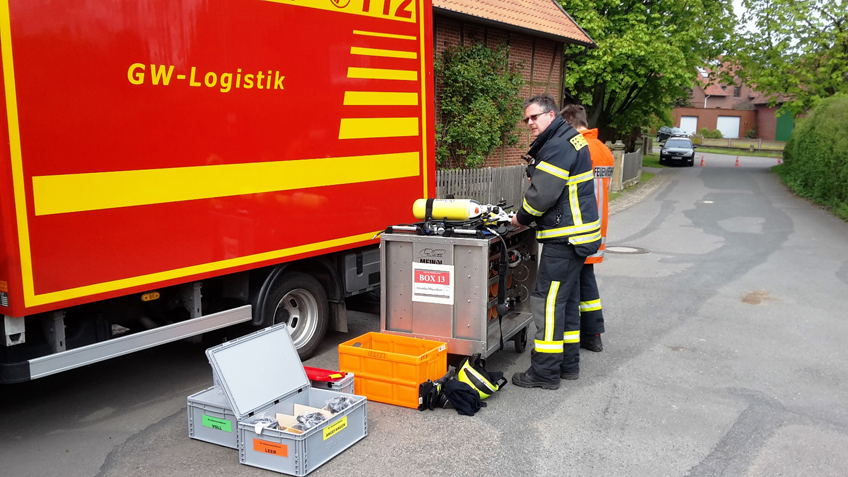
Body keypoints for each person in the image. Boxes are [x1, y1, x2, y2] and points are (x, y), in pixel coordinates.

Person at [510, 94, 601, 390]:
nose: (529, 124)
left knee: (546, 302)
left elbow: (544, 194)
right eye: (526, 119)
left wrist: (520, 218)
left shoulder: (558, 145)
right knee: (568, 300)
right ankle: (568, 364)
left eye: (534, 117)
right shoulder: (568, 138)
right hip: (578, 236)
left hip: (566, 237)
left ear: (551, 115)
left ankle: (545, 372)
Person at [560, 104, 614, 353]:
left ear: (569, 124)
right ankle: (592, 333)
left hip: (581, 226)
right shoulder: (604, 149)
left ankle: (586, 335)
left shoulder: (579, 148)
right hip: (599, 226)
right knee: (586, 277)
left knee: (577, 281)